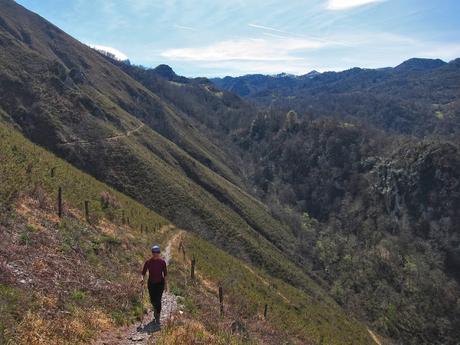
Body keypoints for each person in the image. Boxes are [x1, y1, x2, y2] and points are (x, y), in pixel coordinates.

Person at [141, 245, 168, 324]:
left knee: (158, 300)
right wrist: (142, 279)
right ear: (152, 253)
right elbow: (143, 273)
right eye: (154, 252)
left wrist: (166, 285)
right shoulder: (148, 262)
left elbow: (165, 274)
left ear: (159, 253)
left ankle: (158, 316)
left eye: (157, 252)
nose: (155, 254)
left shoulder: (162, 262)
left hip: (160, 283)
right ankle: (155, 310)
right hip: (151, 283)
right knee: (152, 300)